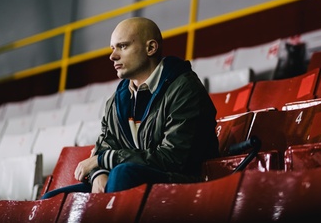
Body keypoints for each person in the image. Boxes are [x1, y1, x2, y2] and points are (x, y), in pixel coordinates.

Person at [41, 17, 218, 198]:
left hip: (183, 185)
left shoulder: (184, 89)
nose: (112, 56)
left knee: (122, 174)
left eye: (123, 46)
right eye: (112, 48)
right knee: (50, 200)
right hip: (129, 181)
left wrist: (105, 160)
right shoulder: (117, 100)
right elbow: (103, 147)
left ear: (151, 48)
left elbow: (173, 158)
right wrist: (98, 174)